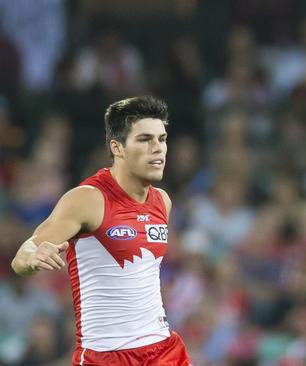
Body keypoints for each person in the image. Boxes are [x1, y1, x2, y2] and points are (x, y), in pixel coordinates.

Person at [11, 96, 193, 365]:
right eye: (145, 139)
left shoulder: (162, 201)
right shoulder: (88, 199)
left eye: (162, 139)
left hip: (162, 350)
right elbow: (22, 256)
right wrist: (32, 258)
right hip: (105, 355)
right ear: (117, 147)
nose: (158, 149)